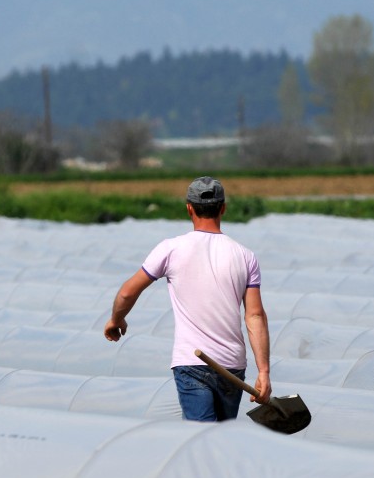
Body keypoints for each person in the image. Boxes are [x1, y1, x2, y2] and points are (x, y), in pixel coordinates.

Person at [104, 176, 272, 421]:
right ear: (223, 208)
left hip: (192, 362)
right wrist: (264, 371)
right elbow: (254, 315)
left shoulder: (171, 249)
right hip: (232, 367)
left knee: (200, 440)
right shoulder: (245, 256)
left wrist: (116, 319)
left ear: (189, 208)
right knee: (220, 440)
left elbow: (128, 292)